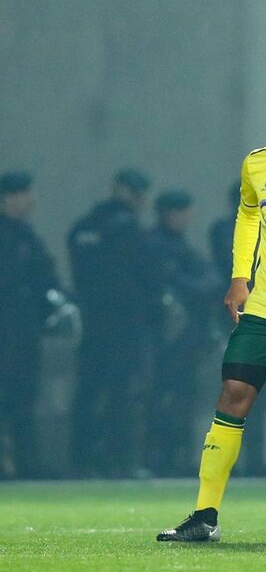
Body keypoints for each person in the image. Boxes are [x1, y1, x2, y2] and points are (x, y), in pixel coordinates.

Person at [68, 169, 152, 477]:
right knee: (123, 393)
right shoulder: (128, 229)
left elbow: (81, 274)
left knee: (88, 391)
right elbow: (145, 276)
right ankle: (120, 460)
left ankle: (81, 460)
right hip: (125, 324)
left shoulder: (84, 227)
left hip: (93, 322)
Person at [147, 190, 221, 475]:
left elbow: (209, 280)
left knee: (182, 398)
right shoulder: (157, 246)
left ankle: (174, 457)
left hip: (187, 339)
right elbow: (195, 283)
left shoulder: (177, 245)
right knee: (165, 397)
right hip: (169, 340)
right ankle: (162, 458)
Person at [0, 172, 63, 478]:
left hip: (25, 331)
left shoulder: (27, 234)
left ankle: (26, 462)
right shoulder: (8, 236)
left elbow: (44, 277)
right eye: (24, 193)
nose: (31, 200)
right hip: (7, 330)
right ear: (8, 198)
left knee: (24, 397)